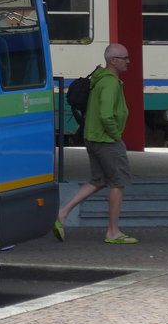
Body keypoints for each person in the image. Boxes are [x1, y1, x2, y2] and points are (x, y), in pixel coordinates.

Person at [52, 42, 136, 244]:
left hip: (93, 138)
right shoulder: (110, 83)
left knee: (98, 180)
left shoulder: (99, 80)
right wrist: (116, 135)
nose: (128, 61)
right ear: (113, 60)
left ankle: (62, 213)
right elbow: (107, 115)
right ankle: (113, 232)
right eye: (124, 58)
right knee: (118, 183)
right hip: (106, 140)